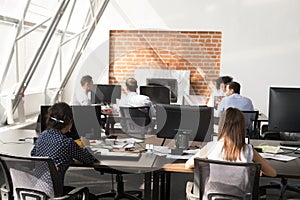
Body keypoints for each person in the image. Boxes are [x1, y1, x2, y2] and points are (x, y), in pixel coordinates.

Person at [185, 107, 276, 177]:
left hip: (213, 195)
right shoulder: (248, 150)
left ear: (221, 125)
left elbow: (188, 165)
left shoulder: (211, 147)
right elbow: (272, 173)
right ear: (242, 127)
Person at [31, 102, 97, 196]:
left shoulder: (42, 136)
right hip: (54, 193)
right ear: (69, 123)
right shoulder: (67, 143)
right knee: (92, 197)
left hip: (36, 190)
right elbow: (88, 159)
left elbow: (33, 154)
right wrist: (86, 145)